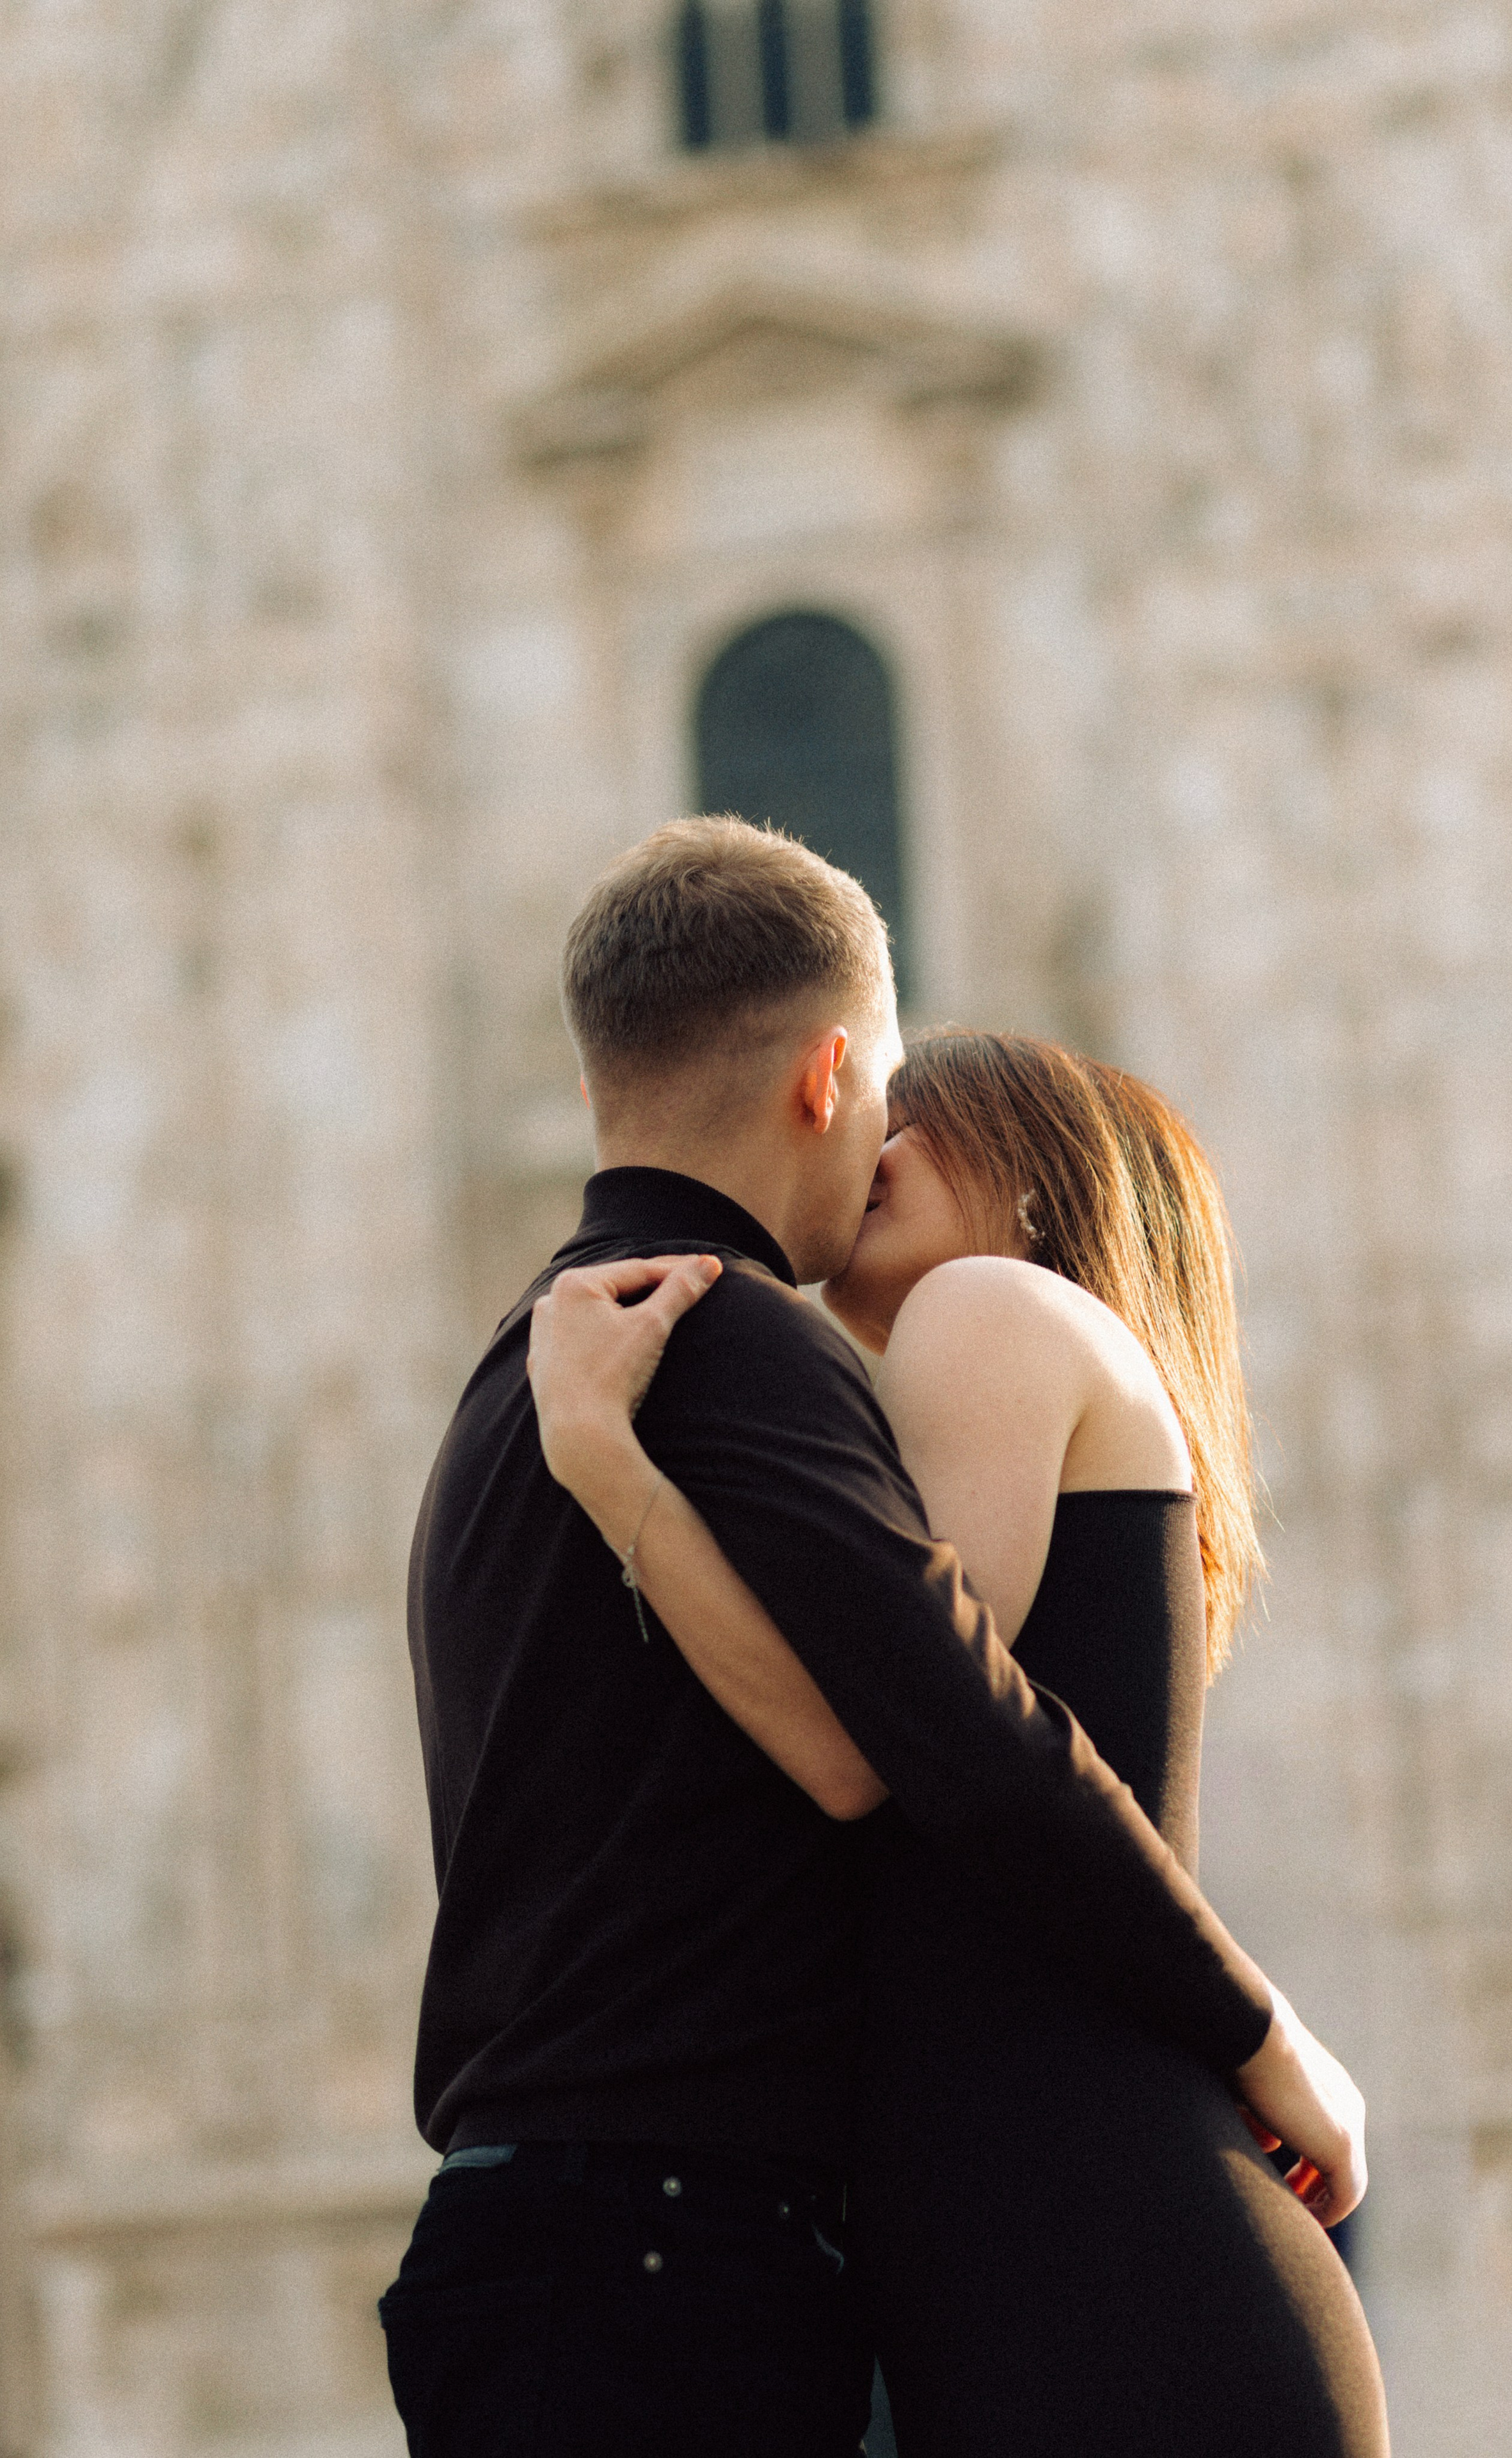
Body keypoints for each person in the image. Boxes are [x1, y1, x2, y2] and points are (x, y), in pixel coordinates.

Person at [381, 817, 1371, 2457]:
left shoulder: (550, 1373)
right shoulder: (707, 1348)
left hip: (979, 2250)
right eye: (885, 1103)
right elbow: (923, 1739)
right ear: (828, 1075)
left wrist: (616, 1474)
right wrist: (1261, 2033)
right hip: (813, 2254)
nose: (878, 1149)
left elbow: (934, 1736)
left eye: (922, 1124)